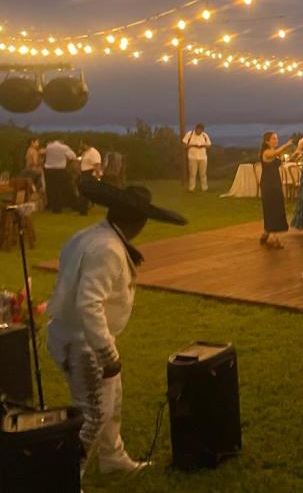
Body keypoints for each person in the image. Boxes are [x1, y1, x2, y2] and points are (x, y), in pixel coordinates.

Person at [46, 180, 187, 475]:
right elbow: (89, 304)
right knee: (95, 414)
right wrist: (107, 354)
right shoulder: (107, 249)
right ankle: (68, 476)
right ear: (137, 221)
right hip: (83, 342)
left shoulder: (89, 235)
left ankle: (112, 457)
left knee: (113, 401)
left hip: (77, 335)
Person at [260, 132, 294, 248]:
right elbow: (276, 153)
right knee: (272, 208)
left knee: (275, 207)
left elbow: (283, 160)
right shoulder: (266, 152)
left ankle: (266, 233)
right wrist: (287, 145)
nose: (276, 140)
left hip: (275, 183)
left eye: (276, 138)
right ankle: (274, 238)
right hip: (269, 185)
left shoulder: (273, 153)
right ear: (267, 141)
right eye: (273, 139)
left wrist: (297, 152)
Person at [44, 138, 87, 214]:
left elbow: (43, 153)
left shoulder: (48, 147)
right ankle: (73, 205)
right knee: (65, 188)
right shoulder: (64, 147)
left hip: (48, 170)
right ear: (61, 141)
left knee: (52, 189)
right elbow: (73, 156)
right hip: (60, 170)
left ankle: (55, 208)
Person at [183, 123, 211, 192]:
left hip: (203, 157)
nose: (199, 131)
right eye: (198, 130)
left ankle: (205, 188)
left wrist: (202, 146)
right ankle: (191, 188)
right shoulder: (190, 134)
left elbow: (209, 145)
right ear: (195, 129)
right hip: (192, 157)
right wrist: (193, 145)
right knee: (192, 173)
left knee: (203, 174)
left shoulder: (204, 135)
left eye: (200, 130)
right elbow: (184, 145)